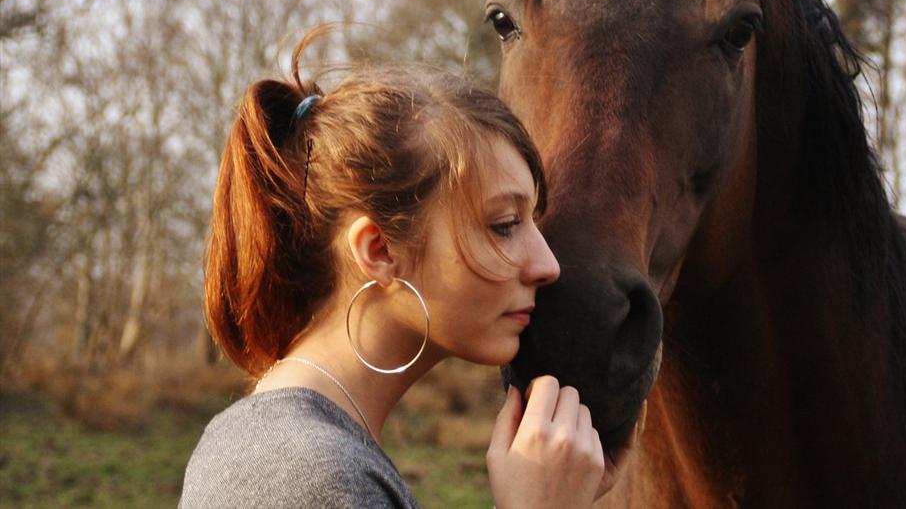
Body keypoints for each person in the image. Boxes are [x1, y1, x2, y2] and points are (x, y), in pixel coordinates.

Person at [180, 30, 605, 508]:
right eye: (504, 225)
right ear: (379, 250)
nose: (547, 264)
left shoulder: (293, 450)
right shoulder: (305, 476)